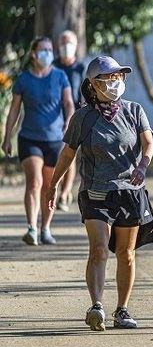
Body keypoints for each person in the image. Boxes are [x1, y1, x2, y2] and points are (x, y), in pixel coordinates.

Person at [45, 55, 153, 332]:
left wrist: (143, 166)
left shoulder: (134, 110)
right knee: (98, 249)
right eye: (107, 78)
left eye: (118, 77)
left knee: (126, 253)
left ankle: (122, 309)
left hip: (130, 192)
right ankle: (96, 306)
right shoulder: (83, 117)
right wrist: (54, 184)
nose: (114, 82)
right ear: (92, 85)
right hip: (96, 193)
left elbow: (148, 143)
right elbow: (68, 153)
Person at [2, 36, 74, 246]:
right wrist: (7, 137)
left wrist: (69, 120)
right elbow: (14, 111)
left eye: (50, 49)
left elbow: (69, 103)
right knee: (35, 181)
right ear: (33, 53)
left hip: (55, 140)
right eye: (43, 49)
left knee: (49, 187)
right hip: (29, 138)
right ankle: (32, 228)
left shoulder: (60, 76)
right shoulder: (23, 79)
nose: (47, 53)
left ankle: (46, 228)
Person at [54, 30, 86, 212]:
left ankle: (65, 193)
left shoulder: (80, 69)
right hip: (54, 117)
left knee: (70, 154)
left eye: (70, 42)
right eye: (63, 42)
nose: (66, 46)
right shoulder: (53, 66)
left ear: (75, 45)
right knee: (55, 155)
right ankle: (55, 188)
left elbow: (85, 94)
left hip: (75, 117)